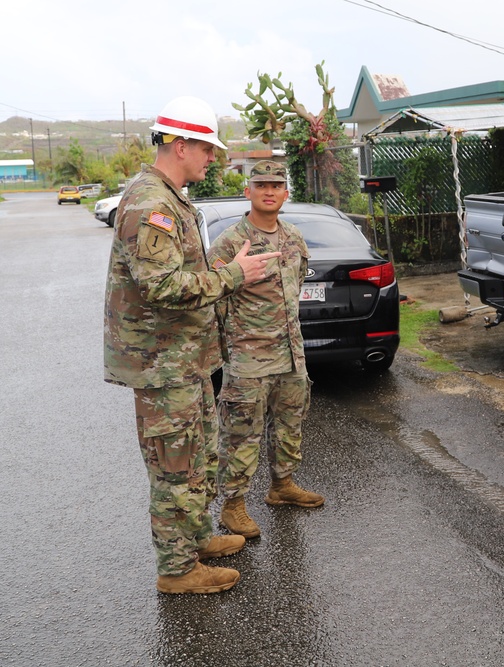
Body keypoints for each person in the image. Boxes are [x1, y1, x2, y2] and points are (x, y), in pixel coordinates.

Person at [104, 96, 281, 594]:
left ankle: (198, 537)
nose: (212, 159)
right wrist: (232, 274)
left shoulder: (171, 198)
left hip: (185, 360)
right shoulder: (150, 203)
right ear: (180, 146)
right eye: (206, 149)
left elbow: (180, 275)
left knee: (199, 457)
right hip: (162, 364)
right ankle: (177, 570)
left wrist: (224, 274)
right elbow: (160, 287)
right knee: (174, 468)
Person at [210, 160, 325, 540]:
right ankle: (233, 505)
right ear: (249, 192)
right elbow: (213, 296)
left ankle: (282, 485)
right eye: (261, 185)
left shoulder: (293, 237)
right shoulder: (230, 242)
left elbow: (295, 289)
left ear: (286, 193)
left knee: (291, 424)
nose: (269, 191)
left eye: (277, 185)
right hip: (248, 360)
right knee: (242, 435)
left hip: (291, 354)